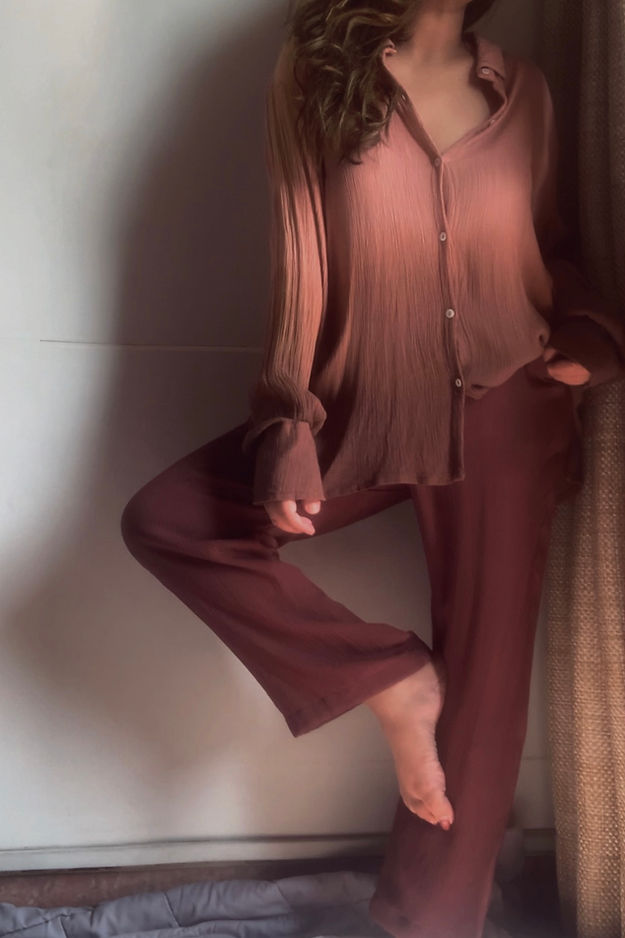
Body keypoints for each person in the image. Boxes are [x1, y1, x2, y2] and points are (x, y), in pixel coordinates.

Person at [119, 1, 625, 936]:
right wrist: (287, 421)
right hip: (364, 406)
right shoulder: (315, 74)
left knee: (486, 695)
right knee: (172, 520)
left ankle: (427, 925)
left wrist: (591, 337)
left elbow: (548, 245)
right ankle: (389, 677)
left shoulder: (524, 91)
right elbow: (299, 261)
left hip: (507, 402)